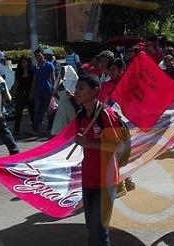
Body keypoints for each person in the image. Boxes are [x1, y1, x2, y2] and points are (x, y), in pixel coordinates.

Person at [73, 74, 123, 246]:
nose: (76, 91)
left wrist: (88, 143)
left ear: (94, 91)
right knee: (92, 228)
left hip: (106, 180)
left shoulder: (106, 115)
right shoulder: (80, 116)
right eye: (76, 87)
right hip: (88, 178)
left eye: (81, 88)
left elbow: (118, 146)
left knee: (99, 231)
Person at [31, 49, 55, 136]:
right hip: (38, 91)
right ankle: (35, 129)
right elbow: (34, 80)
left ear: (43, 55)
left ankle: (50, 128)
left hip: (48, 91)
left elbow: (53, 78)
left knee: (49, 110)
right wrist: (32, 91)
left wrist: (54, 89)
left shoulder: (49, 65)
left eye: (39, 55)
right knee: (37, 110)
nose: (38, 57)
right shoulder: (36, 67)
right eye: (36, 56)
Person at [51, 65, 80, 136]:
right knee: (61, 122)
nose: (62, 74)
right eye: (61, 72)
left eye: (64, 72)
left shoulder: (75, 82)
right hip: (62, 105)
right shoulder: (60, 83)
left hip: (70, 106)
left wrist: (71, 95)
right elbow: (56, 94)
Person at [11, 55, 35, 135]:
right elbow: (16, 82)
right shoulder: (18, 71)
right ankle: (16, 130)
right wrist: (13, 92)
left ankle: (34, 128)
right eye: (22, 62)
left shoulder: (32, 71)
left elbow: (33, 82)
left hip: (29, 92)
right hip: (20, 93)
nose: (23, 64)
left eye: (25, 62)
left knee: (32, 112)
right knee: (18, 112)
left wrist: (31, 92)